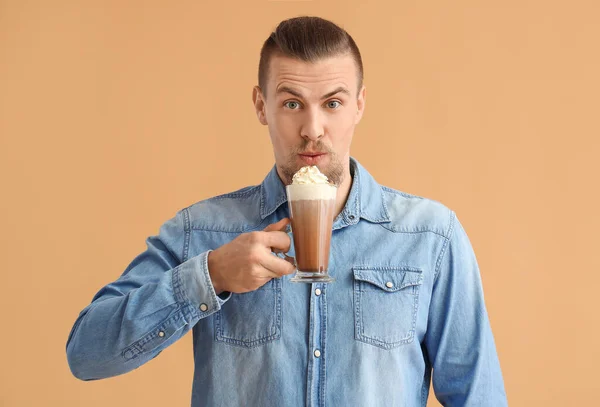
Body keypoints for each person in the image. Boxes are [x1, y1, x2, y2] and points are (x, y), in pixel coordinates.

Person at [66, 16, 507, 406]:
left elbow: (478, 396)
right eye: (292, 103)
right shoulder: (201, 231)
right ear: (262, 106)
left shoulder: (430, 237)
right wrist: (211, 276)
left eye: (332, 103)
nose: (312, 129)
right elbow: (86, 354)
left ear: (359, 105)